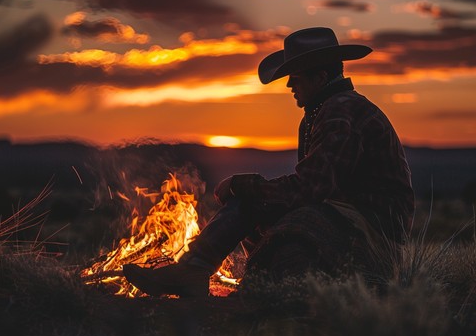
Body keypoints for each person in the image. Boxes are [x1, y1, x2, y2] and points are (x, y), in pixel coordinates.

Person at [123, 27, 415, 297]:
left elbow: (312, 188)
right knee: (261, 205)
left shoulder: (340, 111)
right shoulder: (331, 110)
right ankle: (202, 270)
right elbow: (314, 188)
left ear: (321, 77)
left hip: (373, 229)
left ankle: (195, 269)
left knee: (254, 201)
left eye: (297, 77)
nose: (289, 84)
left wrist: (242, 187)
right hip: (364, 223)